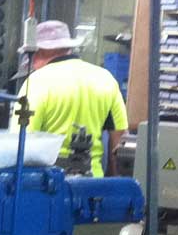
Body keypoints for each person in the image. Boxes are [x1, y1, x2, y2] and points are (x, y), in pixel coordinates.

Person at [20, 20, 127, 177]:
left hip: (47, 184)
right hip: (93, 183)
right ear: (68, 48)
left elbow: (23, 142)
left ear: (38, 52)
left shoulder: (36, 82)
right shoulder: (106, 78)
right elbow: (118, 140)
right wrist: (112, 183)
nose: (32, 64)